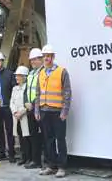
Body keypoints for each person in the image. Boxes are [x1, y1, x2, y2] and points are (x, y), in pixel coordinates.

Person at [34, 44, 72, 178]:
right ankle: (51, 165)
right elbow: (37, 93)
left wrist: (65, 111)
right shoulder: (41, 73)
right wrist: (37, 110)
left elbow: (67, 92)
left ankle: (61, 167)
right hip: (44, 111)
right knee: (48, 140)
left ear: (53, 57)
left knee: (60, 139)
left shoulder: (62, 71)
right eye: (44, 56)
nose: (46, 59)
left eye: (49, 56)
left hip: (57, 111)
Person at [24, 48, 44, 169]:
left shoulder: (44, 73)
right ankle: (36, 161)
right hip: (30, 109)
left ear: (40, 59)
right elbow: (27, 89)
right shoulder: (31, 73)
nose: (33, 62)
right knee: (33, 135)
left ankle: (47, 161)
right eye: (31, 60)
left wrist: (33, 103)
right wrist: (26, 102)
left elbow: (42, 91)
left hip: (40, 108)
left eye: (35, 59)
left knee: (45, 135)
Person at [10, 66, 30, 166]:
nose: (16, 78)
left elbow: (28, 103)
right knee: (21, 138)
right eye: (16, 76)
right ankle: (23, 157)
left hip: (25, 116)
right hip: (16, 117)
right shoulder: (15, 88)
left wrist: (21, 112)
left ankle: (29, 158)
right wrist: (15, 112)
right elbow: (12, 102)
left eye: (18, 76)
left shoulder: (28, 88)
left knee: (27, 138)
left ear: (24, 77)